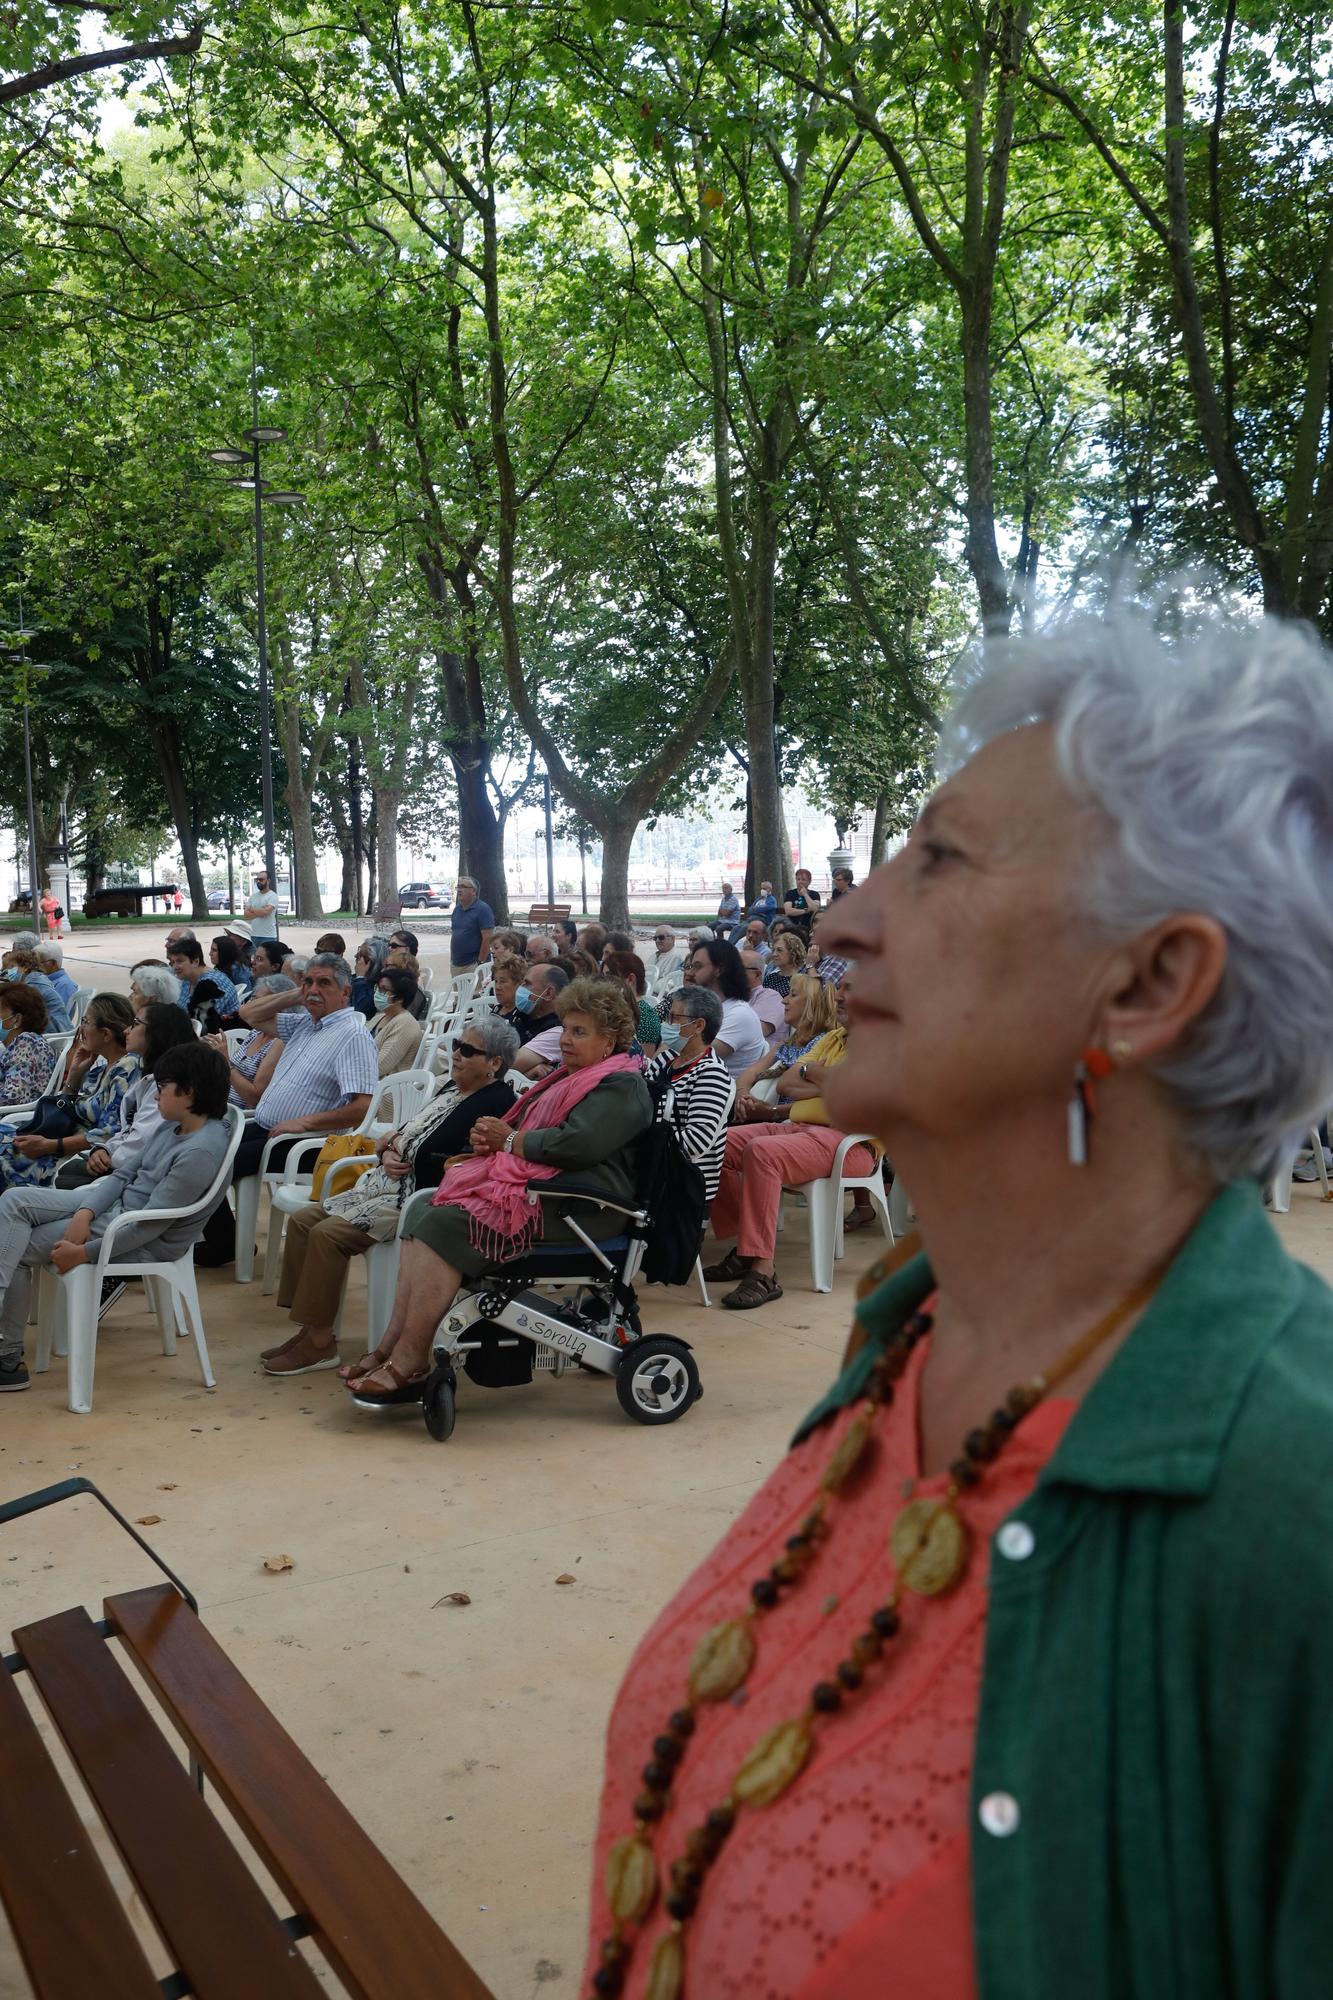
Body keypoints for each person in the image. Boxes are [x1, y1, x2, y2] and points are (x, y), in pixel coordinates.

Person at [584, 611, 1333, 2000]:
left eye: (937, 860)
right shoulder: (913, 1337)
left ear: (1151, 983)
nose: (843, 919)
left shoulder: (1294, 1505)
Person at [343, 977, 652, 1402]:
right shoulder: (570, 1077)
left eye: (580, 1032)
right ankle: (390, 1346)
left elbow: (576, 1146)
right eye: (565, 1028)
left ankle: (411, 1359)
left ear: (610, 1040)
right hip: (549, 1195)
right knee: (422, 1212)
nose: (565, 1039)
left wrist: (506, 1141)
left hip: (584, 1207)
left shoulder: (621, 1085)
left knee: (445, 1225)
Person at [259, 1018, 520, 1376]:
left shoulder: (495, 1103)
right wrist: (387, 1149)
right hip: (385, 1184)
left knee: (327, 1236)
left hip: (416, 1198)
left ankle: (319, 1343)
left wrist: (399, 1150)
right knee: (304, 1221)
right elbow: (407, 1133)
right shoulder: (451, 1088)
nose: (456, 1054)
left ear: (495, 1063)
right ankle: (311, 1327)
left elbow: (447, 1157)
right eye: (457, 1044)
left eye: (469, 1051)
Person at [0, 1041, 232, 1393]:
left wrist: (83, 1252)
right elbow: (122, 1176)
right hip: (112, 1212)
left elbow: (149, 1226)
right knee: (14, 1201)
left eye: (162, 1088)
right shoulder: (173, 1127)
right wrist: (84, 1211)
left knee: (16, 1247)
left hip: (137, 1236)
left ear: (190, 1092)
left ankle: (7, 1358)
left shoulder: (200, 1151)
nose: (155, 1097)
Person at [703, 972, 875, 1308]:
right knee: (715, 1143)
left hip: (850, 1143)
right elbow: (787, 1084)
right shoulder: (833, 1038)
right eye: (838, 989)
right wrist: (823, 1078)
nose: (838, 996)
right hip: (799, 1127)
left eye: (848, 990)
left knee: (763, 1152)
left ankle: (764, 1270)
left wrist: (814, 1076)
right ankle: (746, 1246)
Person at [195, 955, 378, 1266]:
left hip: (305, 1143)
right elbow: (248, 1013)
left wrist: (304, 1122)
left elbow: (361, 1107)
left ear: (346, 992)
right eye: (309, 981)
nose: (314, 989)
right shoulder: (306, 1024)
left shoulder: (352, 1036)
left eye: (325, 983)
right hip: (266, 1127)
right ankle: (225, 1239)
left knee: (205, 1165)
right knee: (196, 1148)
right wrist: (300, 992)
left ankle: (222, 1242)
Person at [0, 994, 138, 1193]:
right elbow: (67, 1111)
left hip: (73, 1156)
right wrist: (74, 1077)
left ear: (106, 1034)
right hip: (62, 1142)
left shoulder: (126, 1070)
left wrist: (49, 1146)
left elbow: (110, 1133)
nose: (81, 1028)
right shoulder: (101, 1069)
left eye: (86, 1021)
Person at [57, 1001, 198, 1189]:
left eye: (135, 1024)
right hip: (117, 1160)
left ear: (157, 1033)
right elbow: (128, 1130)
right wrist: (104, 1148)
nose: (126, 1031)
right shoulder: (147, 1077)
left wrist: (104, 1153)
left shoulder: (166, 1086)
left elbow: (140, 1140)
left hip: (134, 1175)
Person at [641, 987, 736, 1208]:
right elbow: (639, 1104)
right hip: (653, 1173)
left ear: (699, 1025)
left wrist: (639, 1142)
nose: (667, 1023)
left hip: (681, 1187)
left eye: (675, 1017)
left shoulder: (711, 1073)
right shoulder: (665, 1059)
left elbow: (696, 1141)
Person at [733, 972, 841, 1100]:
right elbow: (746, 1076)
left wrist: (768, 1112)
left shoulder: (826, 1043)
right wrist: (743, 1097)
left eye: (793, 995)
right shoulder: (787, 1043)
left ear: (812, 1003)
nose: (784, 1001)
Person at [205, 972, 297, 1109]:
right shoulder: (256, 1032)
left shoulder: (280, 1042)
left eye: (258, 1001)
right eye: (252, 998)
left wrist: (226, 1062)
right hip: (217, 1098)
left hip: (234, 1113)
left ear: (278, 1005)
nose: (250, 1004)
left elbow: (254, 1099)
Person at [685, 938, 767, 1081]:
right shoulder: (704, 1008)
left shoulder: (739, 1014)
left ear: (719, 969)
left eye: (697, 966)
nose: (690, 973)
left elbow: (693, 1055)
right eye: (690, 967)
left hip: (716, 1096)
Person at [0, 984, 55, 1107]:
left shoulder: (26, 1045)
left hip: (13, 1120)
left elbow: (14, 1096)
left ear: (16, 1019)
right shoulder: (25, 1042)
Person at [512, 965, 572, 1077]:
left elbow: (504, 1066)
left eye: (527, 984)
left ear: (548, 993)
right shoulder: (524, 1014)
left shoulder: (557, 1031)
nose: (520, 988)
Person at [167, 938, 239, 1031]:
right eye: (172, 962)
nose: (175, 967)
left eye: (179, 961)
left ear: (196, 961)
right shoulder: (187, 978)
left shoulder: (214, 983)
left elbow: (202, 1022)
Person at [3, 948, 71, 1033]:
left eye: (12, 967)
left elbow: (19, 1012)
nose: (9, 971)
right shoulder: (37, 978)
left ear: (25, 967)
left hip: (54, 1031)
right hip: (59, 1027)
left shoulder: (34, 984)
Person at [371, 966, 424, 1076]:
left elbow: (379, 1066)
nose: (378, 993)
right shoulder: (380, 1017)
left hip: (385, 1088)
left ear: (399, 998)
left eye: (384, 990)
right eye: (377, 988)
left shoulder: (405, 1024)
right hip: (362, 1080)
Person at [605, 951, 660, 1056]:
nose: (603, 982)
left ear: (630, 979)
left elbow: (643, 1063)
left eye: (610, 977)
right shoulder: (612, 1008)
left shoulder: (645, 1017)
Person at [450, 875, 494, 974]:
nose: (460, 890)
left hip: (473, 964)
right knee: (457, 990)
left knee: (475, 990)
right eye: (458, 887)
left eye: (463, 887)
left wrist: (480, 962)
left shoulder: (483, 909)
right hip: (456, 964)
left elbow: (487, 938)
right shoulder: (457, 910)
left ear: (473, 891)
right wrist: (452, 959)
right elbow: (454, 934)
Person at [741, 948, 786, 1044]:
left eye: (739, 968)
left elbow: (756, 1032)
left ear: (757, 974)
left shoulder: (771, 997)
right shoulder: (731, 996)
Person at [804, 911, 850, 986]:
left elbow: (820, 991)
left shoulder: (839, 957)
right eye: (815, 921)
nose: (817, 926)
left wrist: (810, 965)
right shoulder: (812, 954)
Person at [384, 947, 431, 1021]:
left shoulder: (414, 995)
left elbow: (403, 1020)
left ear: (401, 968)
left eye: (388, 966)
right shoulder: (402, 990)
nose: (384, 969)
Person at [350, 937, 391, 1020]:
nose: (355, 956)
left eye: (360, 955)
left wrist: (360, 978)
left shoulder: (381, 985)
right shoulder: (354, 979)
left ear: (371, 961)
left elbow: (361, 1011)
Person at [33, 941, 78, 1014]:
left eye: (37, 963)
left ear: (53, 963)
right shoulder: (45, 980)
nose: (35, 967)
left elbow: (57, 1015)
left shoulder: (64, 985)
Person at [762, 928, 805, 998]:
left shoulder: (801, 980)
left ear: (792, 953)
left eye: (779, 950)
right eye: (773, 950)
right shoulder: (770, 978)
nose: (774, 954)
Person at [782, 865, 822, 937]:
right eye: (798, 879)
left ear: (809, 881)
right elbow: (788, 911)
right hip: (792, 925)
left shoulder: (814, 894)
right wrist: (806, 911)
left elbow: (815, 909)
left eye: (803, 880)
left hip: (808, 926)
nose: (800, 882)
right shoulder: (790, 893)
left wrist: (805, 894)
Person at [244, 869, 282, 940]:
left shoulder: (273, 896)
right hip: (253, 934)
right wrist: (261, 911)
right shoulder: (253, 896)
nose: (258, 882)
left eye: (261, 880)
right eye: (257, 880)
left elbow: (265, 912)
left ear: (268, 881)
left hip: (268, 936)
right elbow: (246, 915)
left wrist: (252, 909)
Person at [648, 926, 686, 995]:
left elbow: (664, 985)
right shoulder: (653, 956)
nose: (657, 941)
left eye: (661, 937)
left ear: (672, 939)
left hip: (658, 998)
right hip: (646, 993)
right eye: (655, 938)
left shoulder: (676, 957)